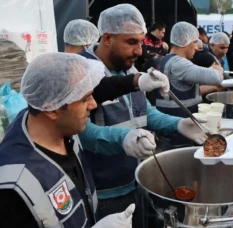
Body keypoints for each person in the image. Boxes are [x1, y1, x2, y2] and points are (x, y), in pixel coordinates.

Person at [78, 4, 210, 226]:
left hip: (136, 177)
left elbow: (144, 111)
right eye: (131, 42)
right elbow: (81, 132)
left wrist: (178, 124)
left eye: (141, 42)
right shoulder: (82, 70)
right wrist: (124, 139)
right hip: (105, 190)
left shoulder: (128, 68)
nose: (140, 51)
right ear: (108, 37)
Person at [0, 53, 136, 227]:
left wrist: (137, 81)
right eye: (85, 98)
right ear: (52, 109)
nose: (94, 104)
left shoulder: (58, 126)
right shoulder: (13, 187)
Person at [155, 21, 223, 117]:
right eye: (194, 42)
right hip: (180, 122)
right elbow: (216, 78)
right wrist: (218, 70)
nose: (196, 47)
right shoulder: (179, 64)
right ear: (184, 40)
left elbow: (187, 90)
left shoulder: (167, 60)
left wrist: (213, 88)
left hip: (176, 119)